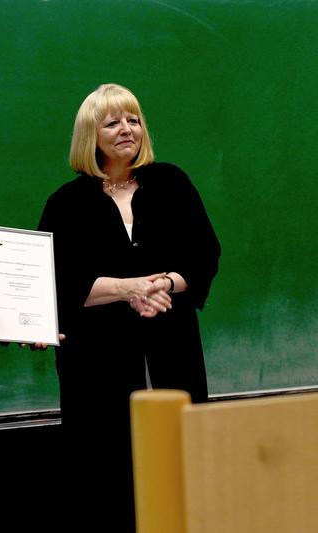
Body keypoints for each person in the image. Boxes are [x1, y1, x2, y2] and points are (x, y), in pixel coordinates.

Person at [37, 83, 220, 532]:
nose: (127, 129)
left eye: (134, 119)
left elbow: (204, 255)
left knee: (180, 465)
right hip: (96, 364)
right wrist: (127, 288)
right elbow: (57, 283)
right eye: (113, 121)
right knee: (105, 476)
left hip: (171, 348)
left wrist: (161, 284)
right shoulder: (66, 203)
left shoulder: (172, 182)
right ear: (89, 135)